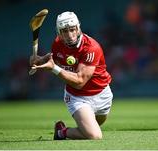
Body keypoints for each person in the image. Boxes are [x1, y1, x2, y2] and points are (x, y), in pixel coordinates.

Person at [30, 11, 113, 140]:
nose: (69, 35)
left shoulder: (91, 47)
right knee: (94, 135)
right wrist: (40, 60)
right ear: (59, 32)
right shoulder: (57, 44)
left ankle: (77, 128)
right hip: (77, 97)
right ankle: (62, 132)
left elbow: (80, 81)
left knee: (97, 124)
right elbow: (55, 61)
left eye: (72, 29)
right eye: (64, 31)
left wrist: (54, 68)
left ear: (78, 28)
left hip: (102, 93)